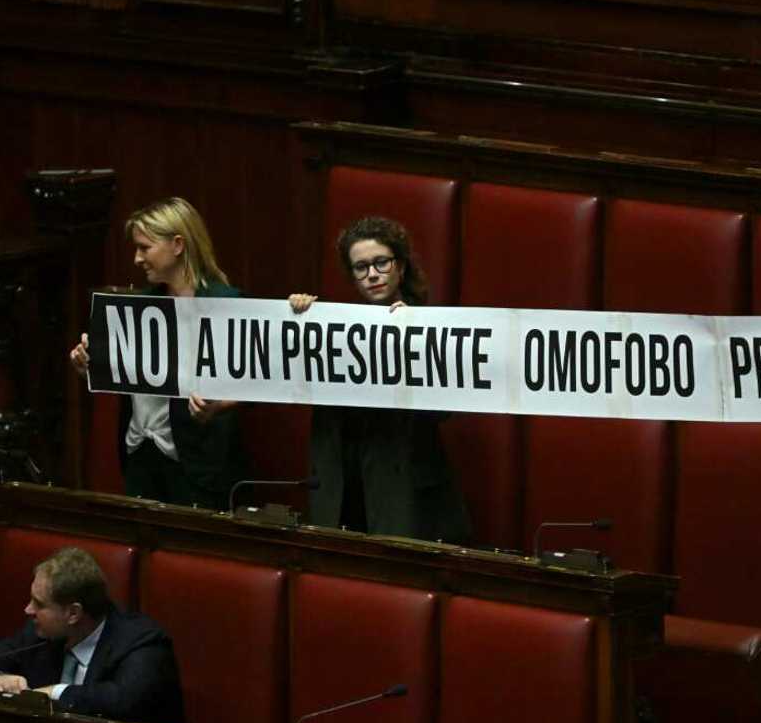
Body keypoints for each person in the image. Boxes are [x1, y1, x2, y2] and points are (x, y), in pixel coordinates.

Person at [289, 216, 470, 543]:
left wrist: (412, 335)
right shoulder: (337, 328)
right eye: (360, 267)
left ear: (400, 267)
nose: (371, 274)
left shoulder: (430, 325)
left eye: (381, 263)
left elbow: (443, 412)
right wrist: (303, 317)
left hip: (407, 501)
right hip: (347, 493)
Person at [69, 197, 246, 509]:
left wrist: (221, 404)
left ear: (177, 245)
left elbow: (254, 380)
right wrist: (90, 363)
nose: (137, 259)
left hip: (196, 466)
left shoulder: (225, 303)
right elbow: (122, 369)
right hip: (140, 454)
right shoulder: (139, 305)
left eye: (144, 247)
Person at [0, 547, 185, 723]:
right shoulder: (39, 634)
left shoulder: (142, 642)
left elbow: (123, 701)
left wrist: (51, 694)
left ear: (73, 613)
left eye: (39, 604)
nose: (28, 610)